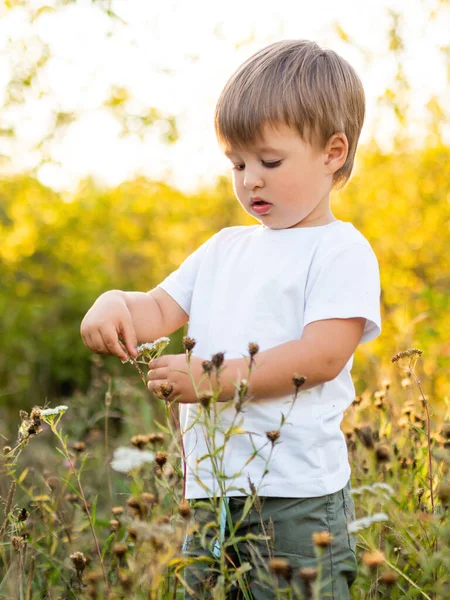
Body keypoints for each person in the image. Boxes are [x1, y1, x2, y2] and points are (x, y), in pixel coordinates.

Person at [81, 39, 381, 599]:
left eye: (269, 161)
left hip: (294, 499)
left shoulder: (340, 251)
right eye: (237, 164)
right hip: (213, 491)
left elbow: (321, 356)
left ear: (332, 152)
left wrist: (210, 381)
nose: (250, 180)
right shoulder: (223, 248)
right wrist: (115, 303)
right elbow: (157, 309)